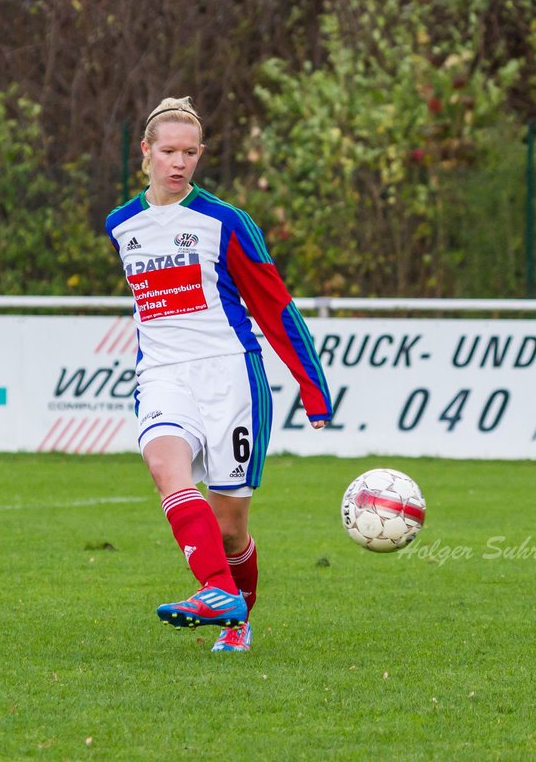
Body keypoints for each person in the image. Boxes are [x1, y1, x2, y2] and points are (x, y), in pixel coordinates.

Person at [105, 96, 332, 653]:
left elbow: (275, 305)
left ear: (200, 155)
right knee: (165, 466)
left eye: (189, 153)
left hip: (230, 377)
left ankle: (237, 619)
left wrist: (312, 387)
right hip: (161, 375)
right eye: (168, 151)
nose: (178, 162)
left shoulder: (225, 222)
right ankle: (213, 590)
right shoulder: (122, 225)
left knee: (231, 530)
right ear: (146, 152)